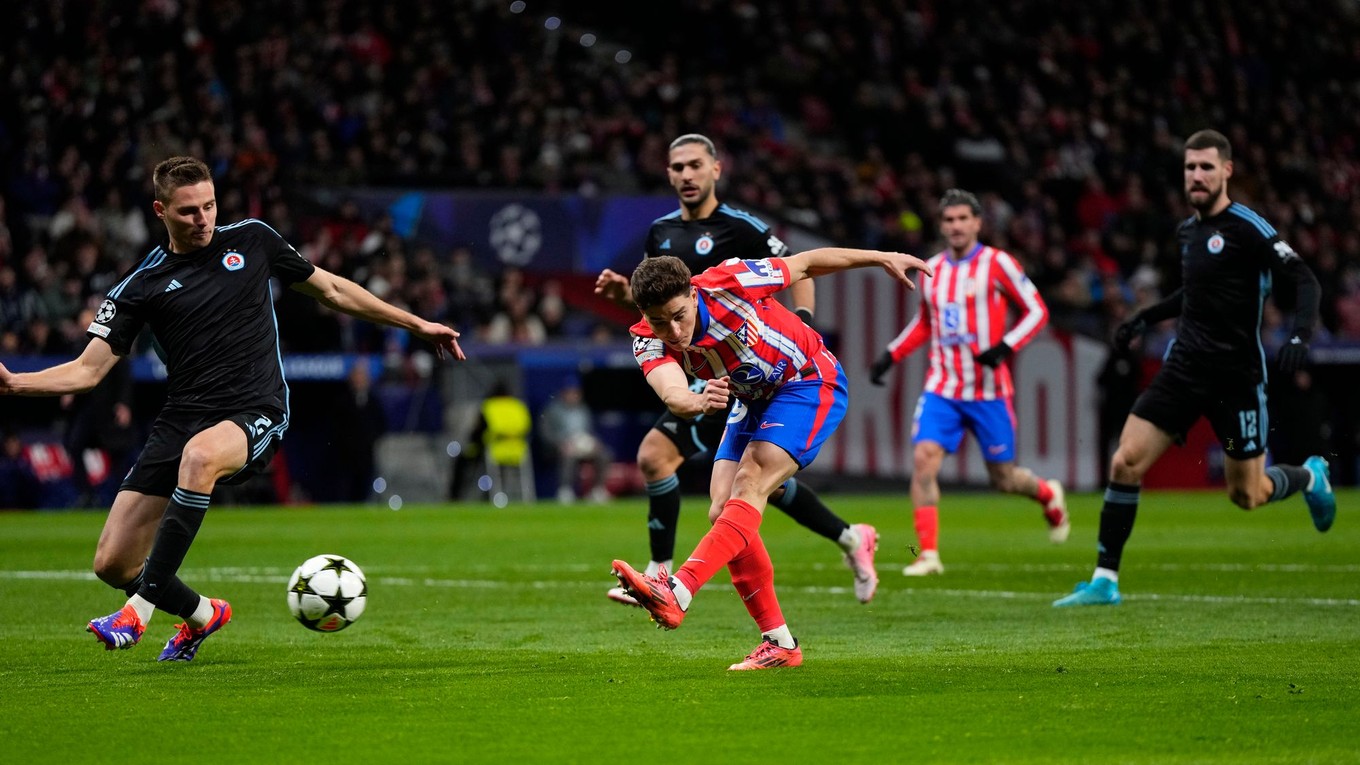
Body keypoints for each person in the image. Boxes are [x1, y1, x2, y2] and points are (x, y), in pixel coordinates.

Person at [0, 156, 464, 660]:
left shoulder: (252, 240)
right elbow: (86, 371)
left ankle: (138, 612)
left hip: (255, 407)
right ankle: (203, 614)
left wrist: (416, 324)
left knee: (199, 458)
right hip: (182, 416)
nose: (203, 219)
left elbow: (331, 288)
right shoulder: (142, 286)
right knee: (112, 563)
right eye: (188, 212)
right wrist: (12, 383)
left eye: (209, 206)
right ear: (160, 211)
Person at [595, 133, 882, 606]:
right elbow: (661, 310)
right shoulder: (660, 234)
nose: (686, 175)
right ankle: (848, 540)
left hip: (767, 369)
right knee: (747, 491)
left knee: (719, 476)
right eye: (677, 167)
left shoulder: (741, 231)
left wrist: (801, 327)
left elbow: (799, 268)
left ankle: (663, 575)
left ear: (715, 169)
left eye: (694, 165)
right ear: (667, 174)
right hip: (707, 375)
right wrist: (625, 296)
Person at [612, 249, 931, 670]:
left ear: (693, 293)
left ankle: (679, 590)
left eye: (679, 315)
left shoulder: (730, 282)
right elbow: (671, 393)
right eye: (659, 321)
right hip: (753, 399)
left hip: (808, 381)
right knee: (722, 510)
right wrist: (696, 398)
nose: (673, 331)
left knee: (753, 478)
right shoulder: (645, 336)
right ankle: (780, 642)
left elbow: (805, 264)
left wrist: (880, 257)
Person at [1053, 129, 1333, 607]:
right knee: (1126, 461)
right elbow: (1196, 295)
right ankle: (1105, 580)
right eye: (1190, 168)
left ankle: (1310, 477)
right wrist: (1146, 316)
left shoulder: (1248, 227)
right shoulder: (1188, 232)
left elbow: (1303, 278)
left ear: (1227, 170)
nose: (1197, 176)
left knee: (1247, 495)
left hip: (1237, 379)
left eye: (1206, 167)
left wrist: (1301, 334)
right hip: (1184, 369)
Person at [869, 189, 1069, 576]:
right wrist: (891, 354)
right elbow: (926, 323)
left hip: (989, 391)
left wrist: (1005, 346)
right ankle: (928, 554)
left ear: (978, 223)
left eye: (963, 219)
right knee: (924, 460)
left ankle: (1047, 494)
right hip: (942, 387)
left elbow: (1037, 311)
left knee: (1005, 479)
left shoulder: (999, 264)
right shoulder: (931, 270)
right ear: (941, 226)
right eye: (949, 220)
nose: (956, 226)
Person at [539, 381, 612, 503]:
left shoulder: (583, 410)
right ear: (563, 393)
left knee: (605, 454)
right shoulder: (552, 410)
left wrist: (595, 442)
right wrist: (560, 444)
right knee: (568, 456)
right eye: (570, 392)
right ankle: (565, 490)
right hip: (560, 447)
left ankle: (597, 490)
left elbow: (590, 431)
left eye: (575, 393)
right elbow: (546, 433)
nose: (573, 396)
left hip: (582, 445)